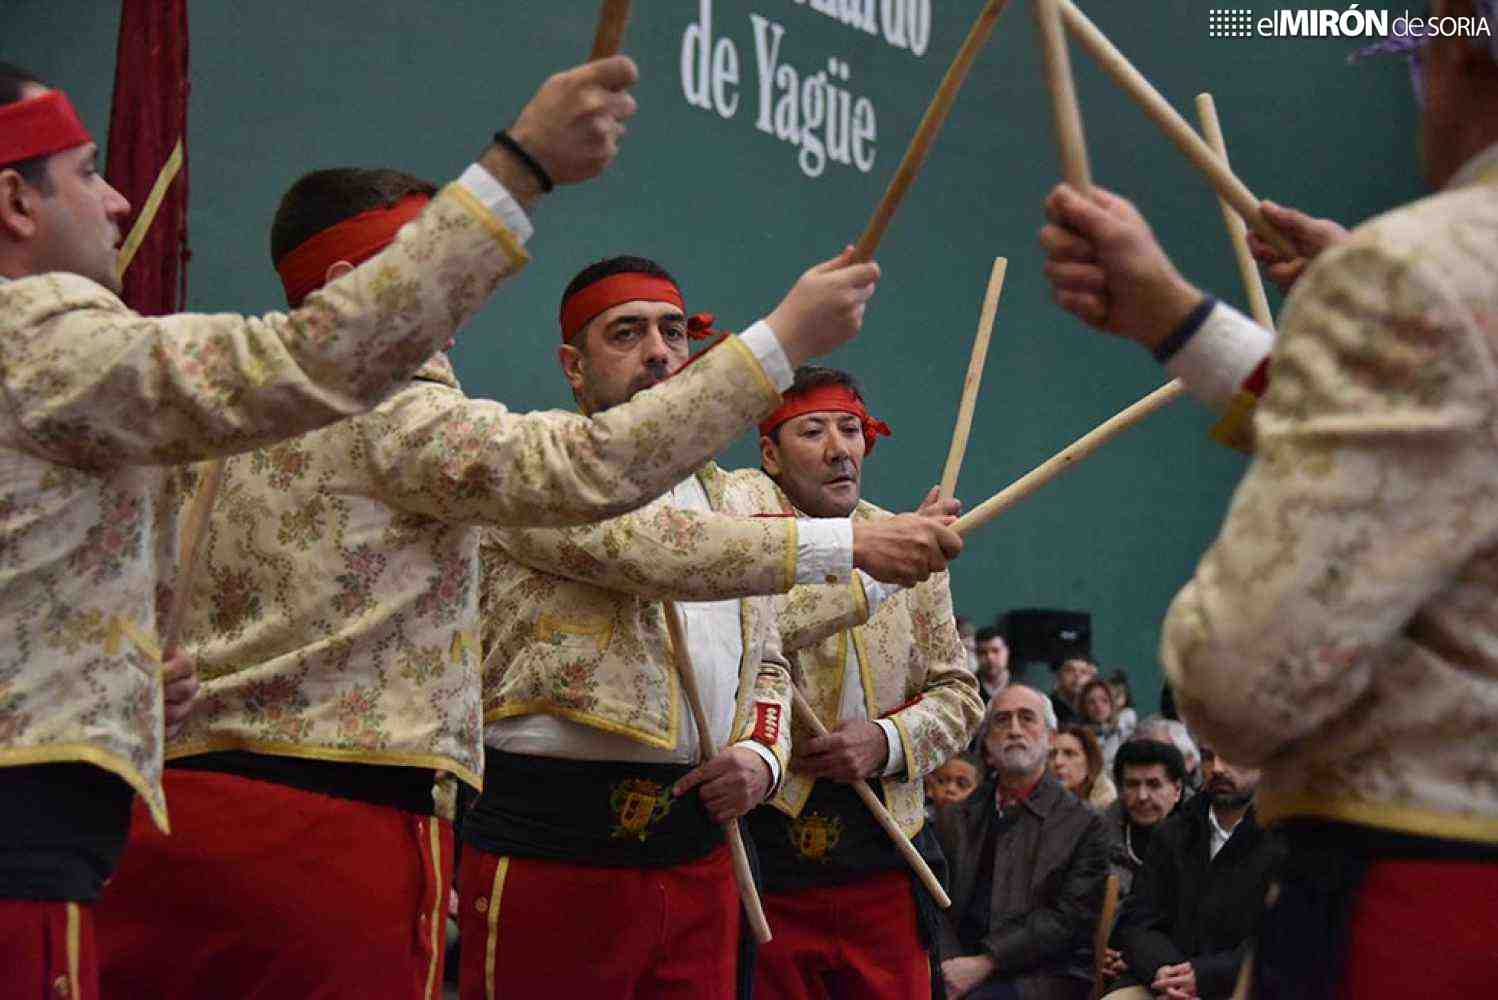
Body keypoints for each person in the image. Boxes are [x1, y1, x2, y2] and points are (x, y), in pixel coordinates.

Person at [95, 143, 889, 990]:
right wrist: (791, 353)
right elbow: (607, 494)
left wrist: (765, 754)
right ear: (342, 283)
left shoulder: (208, 401)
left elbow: (759, 639)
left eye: (672, 330)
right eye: (433, 263)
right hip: (356, 832)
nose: (462, 292)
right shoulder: (402, 415)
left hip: (179, 808)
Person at [0, 56, 637, 996]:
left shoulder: (133, 402)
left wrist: (115, 684)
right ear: (15, 200)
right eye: (91, 171)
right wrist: (525, 166)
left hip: (151, 821)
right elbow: (582, 467)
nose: (120, 197)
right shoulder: (46, 338)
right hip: (303, 840)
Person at [1039, 3, 1498, 992]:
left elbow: (1247, 684)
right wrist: (1180, 319)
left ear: (1460, 50)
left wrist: (1374, 304)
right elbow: (1457, 453)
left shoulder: (1419, 269)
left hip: (1427, 898)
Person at [462, 264, 959, 999]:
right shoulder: (532, 464)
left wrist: (760, 751)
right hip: (554, 845)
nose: (659, 352)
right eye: (626, 333)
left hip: (700, 857)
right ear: (573, 366)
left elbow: (765, 658)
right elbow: (657, 552)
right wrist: (853, 551)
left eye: (672, 331)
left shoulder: (723, 496)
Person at [735, 364, 984, 999]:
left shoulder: (910, 541)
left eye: (851, 428)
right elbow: (759, 629)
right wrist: (880, 573)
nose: (840, 447)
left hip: (886, 850)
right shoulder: (743, 532)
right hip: (765, 850)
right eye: (812, 430)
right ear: (769, 453)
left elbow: (959, 695)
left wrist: (885, 740)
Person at [938, 685, 1110, 1000]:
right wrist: (949, 965)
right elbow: (935, 903)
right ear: (987, 743)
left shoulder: (1084, 824)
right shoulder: (955, 818)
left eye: (1027, 718)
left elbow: (1067, 920)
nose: (1015, 730)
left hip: (1045, 975)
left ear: (1051, 737)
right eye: (1002, 720)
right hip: (955, 964)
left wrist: (986, 962)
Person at [1102, 747, 1281, 1000]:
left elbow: (1285, 940)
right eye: (1208, 757)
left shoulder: (1288, 839)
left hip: (1246, 984)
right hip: (1165, 979)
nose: (1217, 768)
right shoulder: (1172, 832)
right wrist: (1169, 974)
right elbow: (1137, 923)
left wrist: (1205, 976)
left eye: (1230, 756)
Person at [1104, 739, 1186, 895]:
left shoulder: (1205, 839)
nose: (1142, 796)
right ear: (1120, 790)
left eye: (1154, 785)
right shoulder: (1098, 840)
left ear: (1177, 790)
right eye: (1132, 784)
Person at [1050, 723, 1116, 811]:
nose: (1057, 762)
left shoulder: (1107, 805)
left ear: (1090, 761)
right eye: (1052, 754)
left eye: (1069, 754)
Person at [1080, 678, 1129, 772]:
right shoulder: (1078, 737)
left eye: (1104, 700)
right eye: (1091, 702)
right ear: (1084, 707)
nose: (1098, 706)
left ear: (1112, 704)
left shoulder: (1123, 735)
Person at [1049, 658, 1095, 727]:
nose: (1077, 675)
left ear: (1091, 679)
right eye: (1069, 670)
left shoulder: (1094, 711)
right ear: (1058, 676)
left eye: (1084, 672)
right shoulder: (1047, 707)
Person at [974, 626, 1011, 703]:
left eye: (995, 651)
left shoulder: (1022, 688)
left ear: (1006, 652)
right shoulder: (968, 689)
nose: (989, 657)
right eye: (983, 652)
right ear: (976, 655)